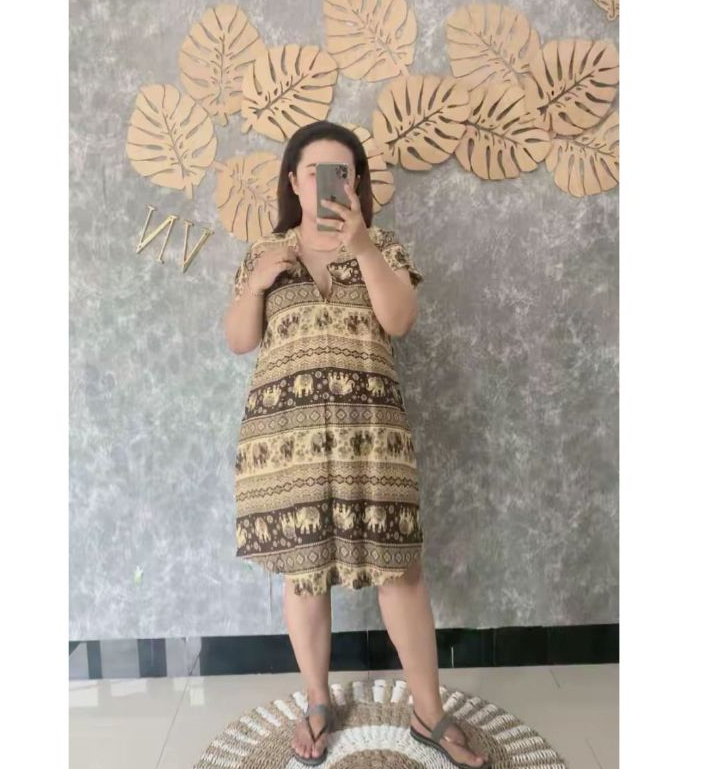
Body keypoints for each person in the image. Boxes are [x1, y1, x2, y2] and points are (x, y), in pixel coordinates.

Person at [223, 121, 490, 769]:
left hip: (372, 441)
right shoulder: (264, 252)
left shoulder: (383, 246)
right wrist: (257, 282)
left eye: (340, 172)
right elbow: (239, 339)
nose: (326, 183)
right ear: (293, 181)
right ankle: (317, 702)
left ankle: (428, 712)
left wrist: (363, 246)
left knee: (401, 571)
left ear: (356, 182)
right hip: (286, 446)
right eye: (313, 171)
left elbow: (399, 319)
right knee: (304, 572)